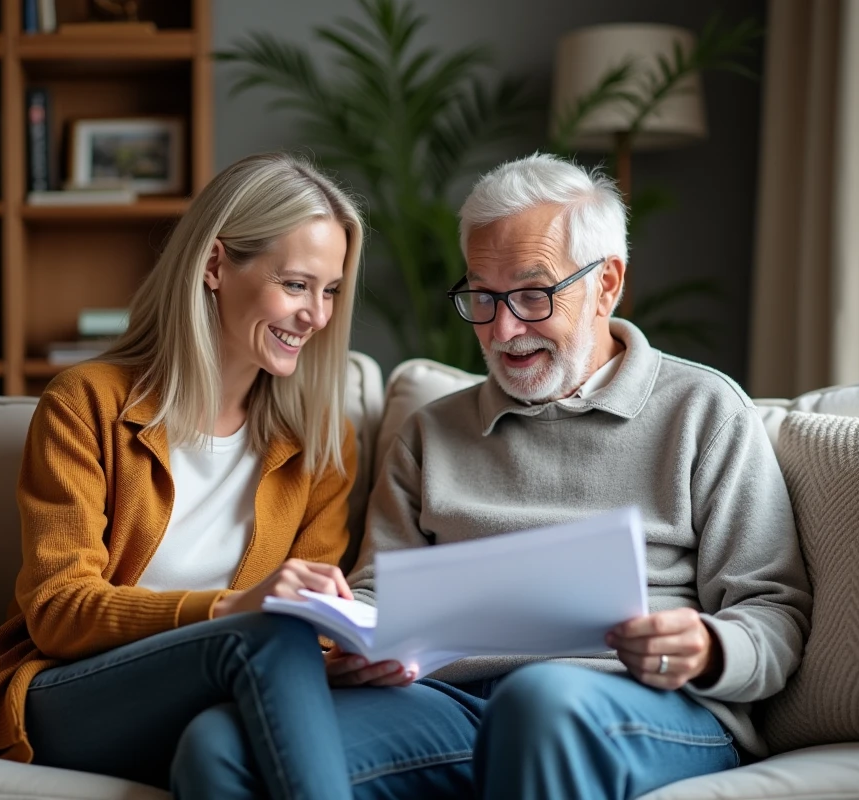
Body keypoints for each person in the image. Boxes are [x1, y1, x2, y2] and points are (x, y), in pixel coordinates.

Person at [181, 153, 813, 800]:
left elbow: (773, 611)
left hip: (646, 704)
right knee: (223, 744)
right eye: (482, 296)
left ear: (607, 284)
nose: (504, 328)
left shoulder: (702, 411)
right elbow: (378, 595)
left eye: (534, 294)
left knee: (541, 702)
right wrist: (355, 641)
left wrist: (708, 646)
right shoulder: (430, 434)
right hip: (449, 707)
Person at [0, 152, 369, 799]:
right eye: (296, 284)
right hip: (68, 687)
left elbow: (311, 623)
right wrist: (232, 610)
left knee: (220, 749)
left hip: (222, 688)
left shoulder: (319, 442)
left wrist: (356, 652)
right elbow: (57, 612)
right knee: (262, 636)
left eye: (330, 290)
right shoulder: (85, 403)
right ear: (216, 265)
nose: (317, 314)